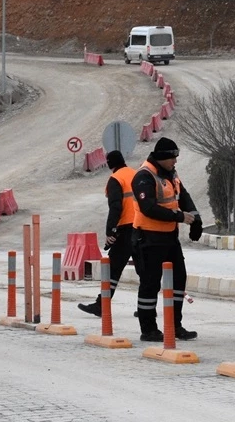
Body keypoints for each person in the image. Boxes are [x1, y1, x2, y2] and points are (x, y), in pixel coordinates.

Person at [130, 137, 203, 341]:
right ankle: (148, 329)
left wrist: (196, 219)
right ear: (162, 157)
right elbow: (148, 208)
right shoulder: (144, 177)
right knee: (150, 284)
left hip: (169, 238)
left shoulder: (171, 174)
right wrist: (179, 216)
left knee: (179, 280)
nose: (176, 161)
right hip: (148, 238)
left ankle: (174, 324)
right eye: (173, 157)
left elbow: (183, 195)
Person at [78, 149, 136, 317]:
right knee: (145, 271)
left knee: (112, 269)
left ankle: (100, 306)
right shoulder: (135, 174)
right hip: (143, 228)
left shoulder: (115, 179)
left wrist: (110, 231)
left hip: (126, 230)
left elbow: (116, 207)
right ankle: (146, 309)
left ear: (111, 164)